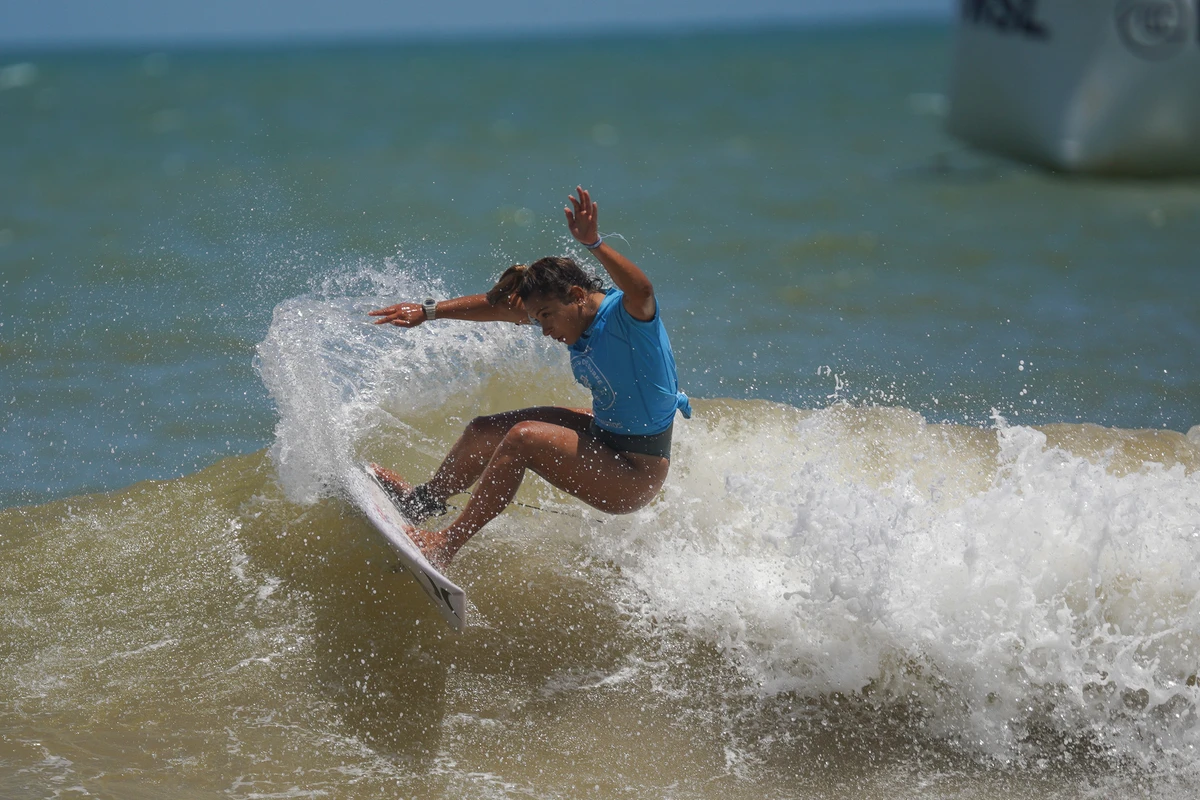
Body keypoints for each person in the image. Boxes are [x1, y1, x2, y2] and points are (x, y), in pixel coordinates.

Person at [367, 187, 691, 567]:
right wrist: (429, 311)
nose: (544, 330)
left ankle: (445, 545)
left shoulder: (629, 318)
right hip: (605, 435)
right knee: (485, 429)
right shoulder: (572, 316)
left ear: (576, 294)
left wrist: (594, 244)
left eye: (546, 317)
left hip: (634, 472)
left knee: (523, 438)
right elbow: (500, 309)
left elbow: (643, 289)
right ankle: (421, 504)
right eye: (537, 320)